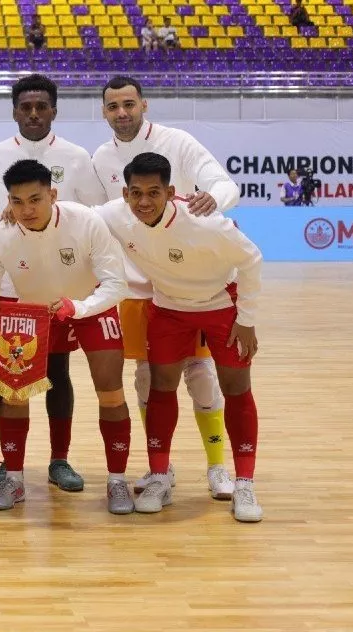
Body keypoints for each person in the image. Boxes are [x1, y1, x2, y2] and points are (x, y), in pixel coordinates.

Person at [90, 75, 240, 500]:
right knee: (147, 380)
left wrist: (216, 199)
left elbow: (223, 182)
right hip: (138, 287)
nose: (122, 113)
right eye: (113, 106)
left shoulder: (179, 142)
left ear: (144, 105)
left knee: (202, 376)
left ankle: (218, 467)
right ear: (104, 111)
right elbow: (96, 214)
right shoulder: (101, 158)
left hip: (190, 283)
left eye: (129, 104)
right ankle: (162, 467)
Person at [96, 152, 264, 523]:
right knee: (159, 386)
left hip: (221, 305)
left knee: (235, 388)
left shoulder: (206, 223)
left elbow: (252, 258)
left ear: (171, 192)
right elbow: (72, 216)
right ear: (125, 194)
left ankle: (244, 483)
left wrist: (247, 319)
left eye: (153, 193)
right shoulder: (115, 215)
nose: (144, 201)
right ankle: (159, 476)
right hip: (168, 308)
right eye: (136, 193)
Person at [0, 160, 130, 513]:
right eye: (17, 201)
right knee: (13, 393)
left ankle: (117, 482)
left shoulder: (86, 221)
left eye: (35, 200)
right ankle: (14, 478)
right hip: (33, 310)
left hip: (90, 305)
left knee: (111, 391)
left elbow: (117, 284)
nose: (26, 210)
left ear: (53, 195)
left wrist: (79, 307)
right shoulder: (0, 233)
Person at [0, 74, 105, 494]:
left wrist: (46, 213)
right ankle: (10, 463)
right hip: (11, 287)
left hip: (58, 287)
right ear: (14, 112)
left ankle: (59, 459)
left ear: (53, 111)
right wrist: (7, 215)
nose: (32, 113)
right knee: (11, 377)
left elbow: (97, 210)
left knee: (58, 373)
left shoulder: (76, 156)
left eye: (41, 106)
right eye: (25, 107)